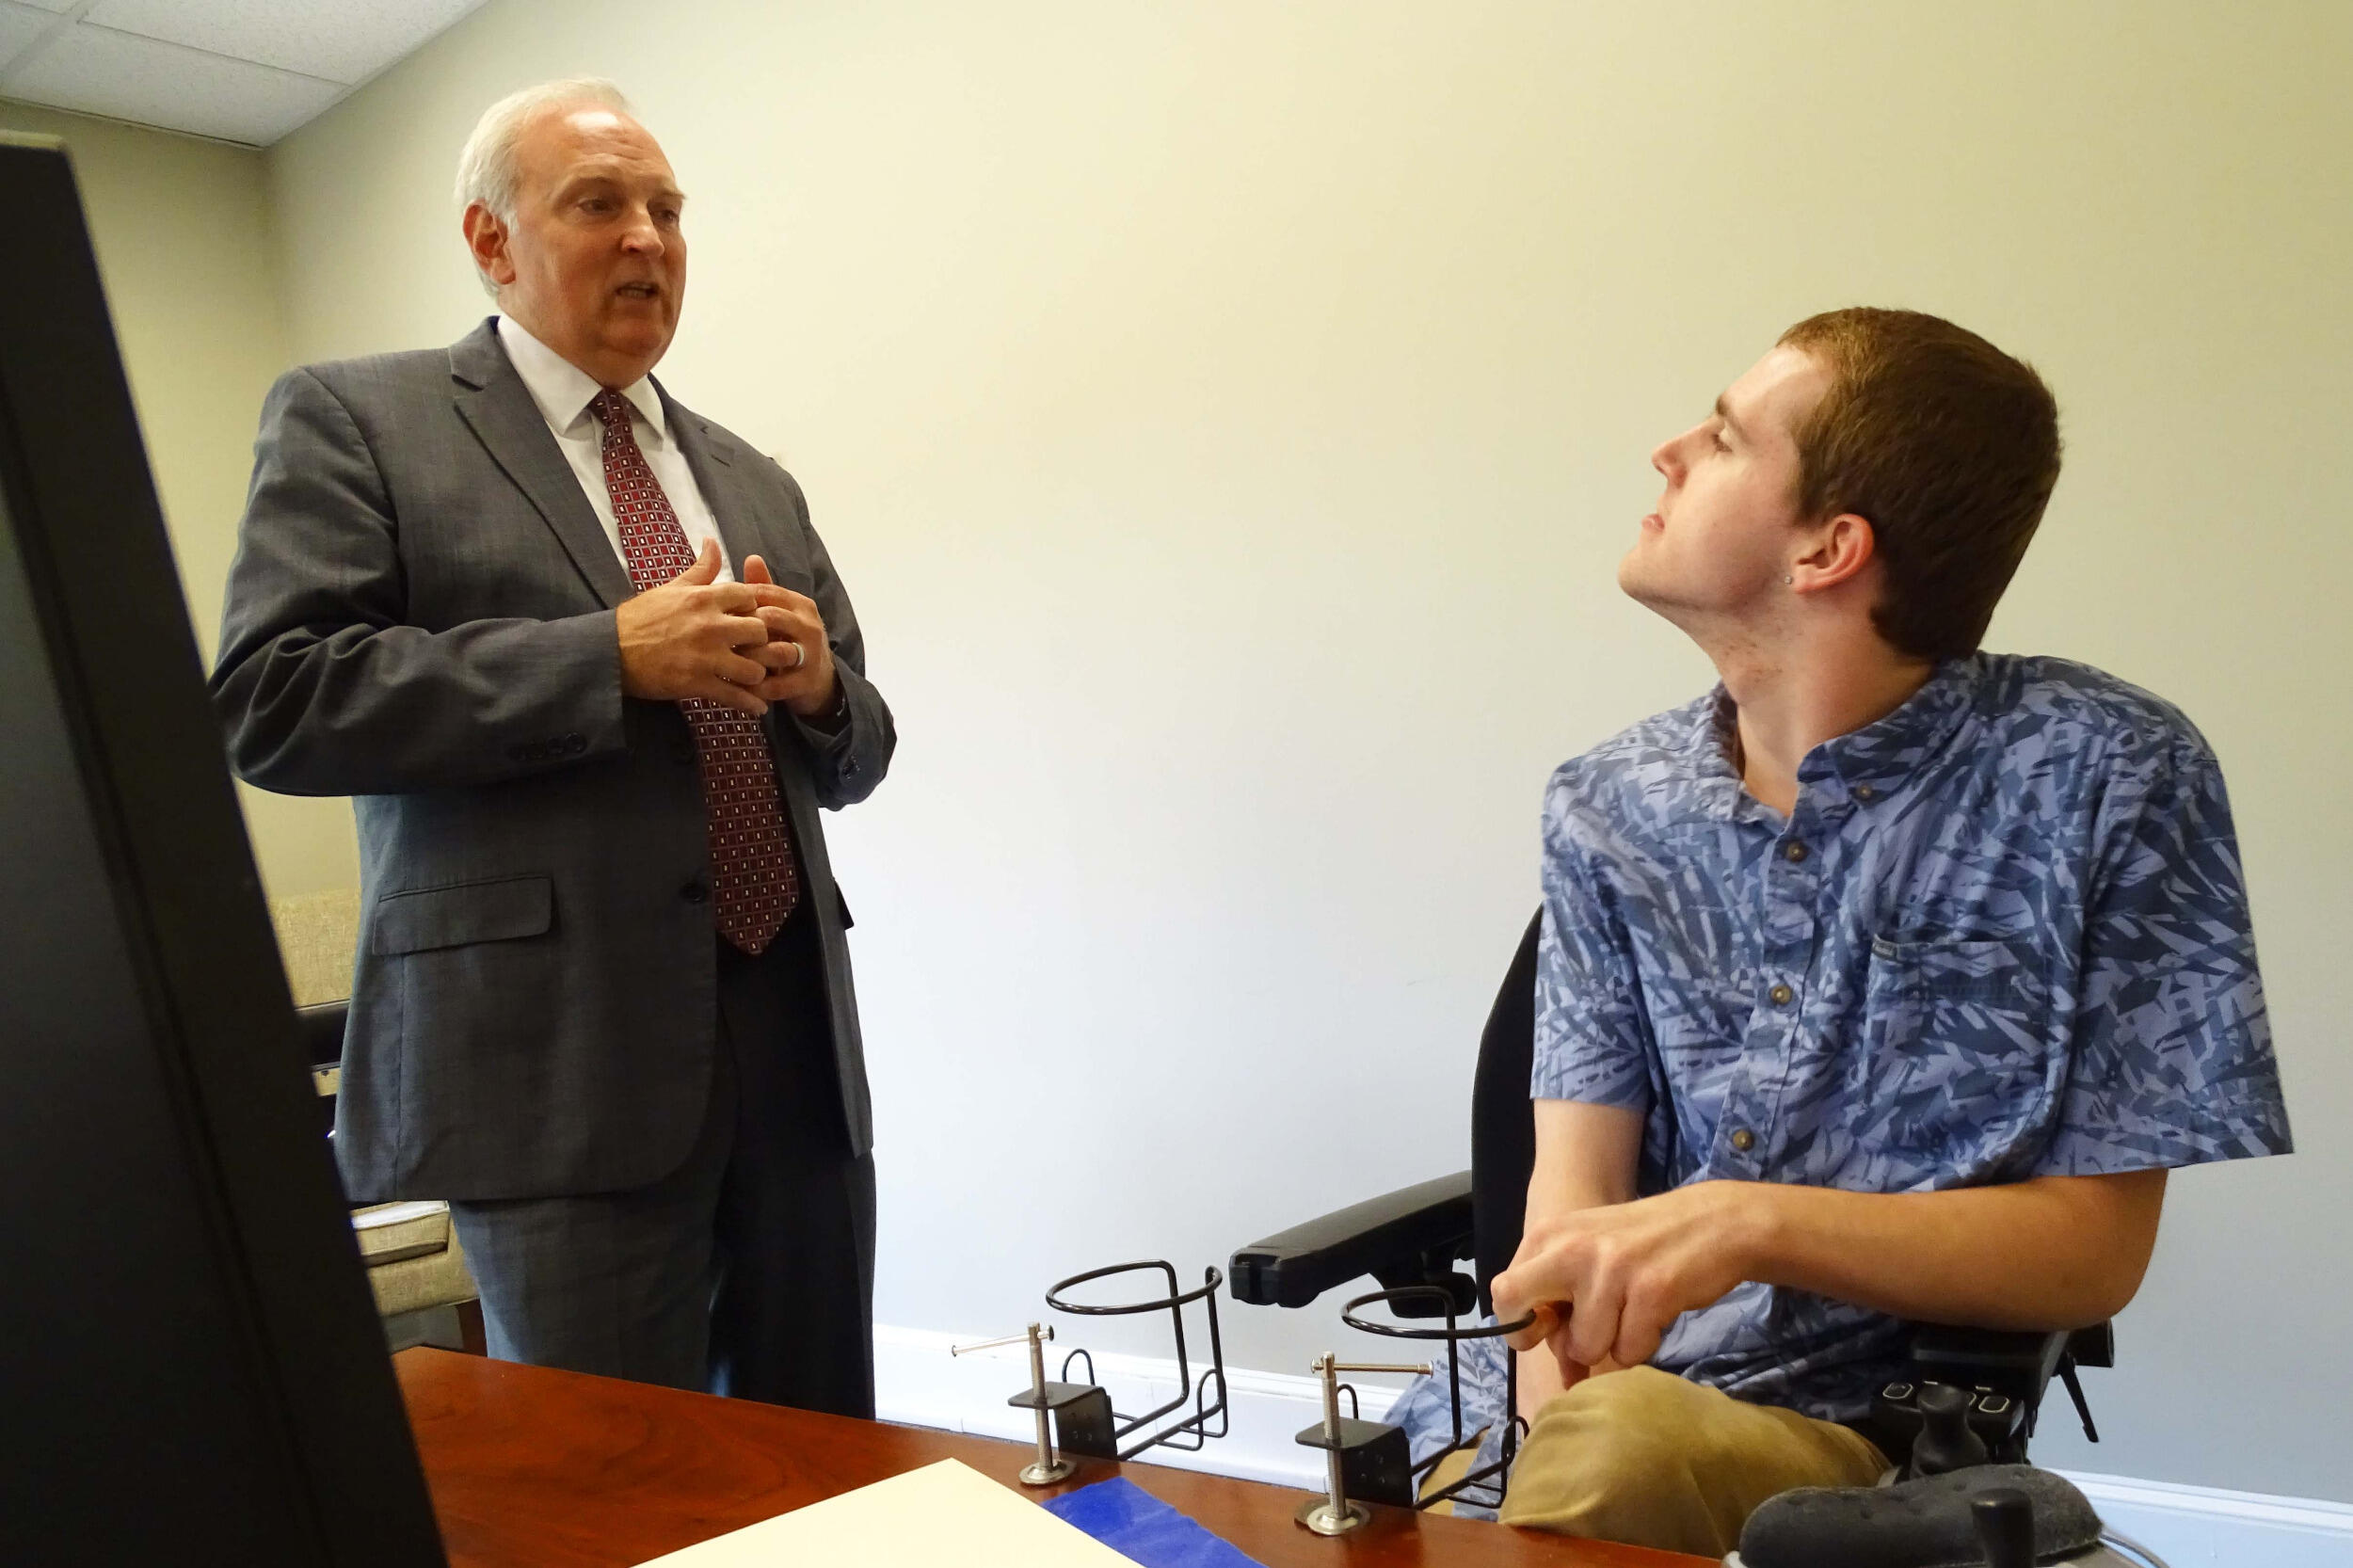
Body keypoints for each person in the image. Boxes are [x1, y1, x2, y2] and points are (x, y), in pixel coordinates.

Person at [1385, 308, 2291, 1556]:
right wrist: (1538, 1417)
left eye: (1721, 438)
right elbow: (1569, 1200)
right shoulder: (1607, 803)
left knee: (1613, 1450)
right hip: (1540, 1410)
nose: (1667, 452)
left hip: (1852, 1434)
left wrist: (1744, 1220)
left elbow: (2093, 1254)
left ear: (1828, 548)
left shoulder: (2105, 774)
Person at [210, 78, 893, 1416]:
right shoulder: (359, 420)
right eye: (599, 204)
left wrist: (821, 690)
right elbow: (274, 700)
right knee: (617, 1482)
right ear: (492, 239)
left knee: (826, 1458)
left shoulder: (755, 478)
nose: (648, 238)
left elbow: (858, 751)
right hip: (556, 1070)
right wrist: (604, 658)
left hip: (797, 1060)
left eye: (667, 210)